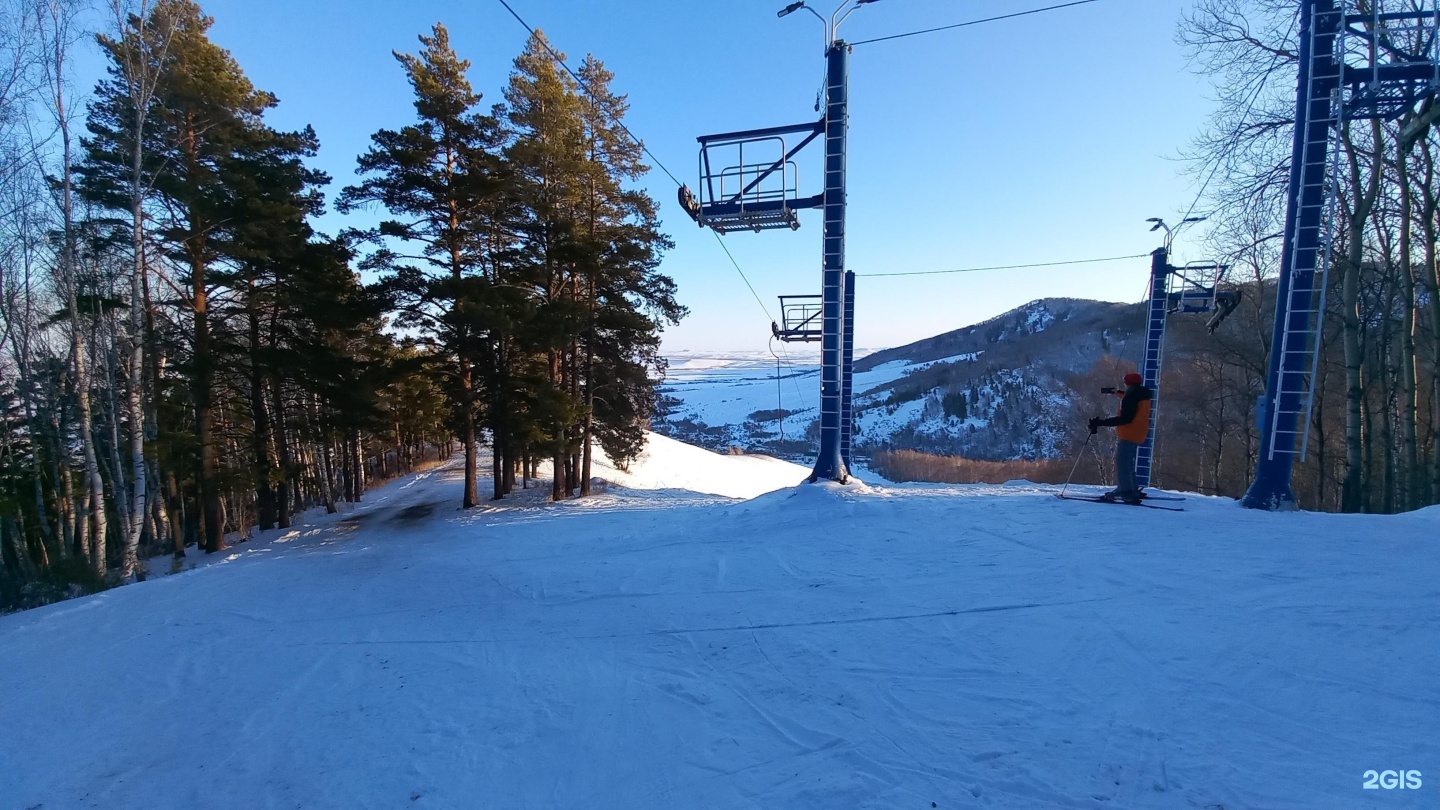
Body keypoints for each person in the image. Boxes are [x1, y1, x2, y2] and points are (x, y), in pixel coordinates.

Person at [1088, 372, 1153, 504]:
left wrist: (1101, 422)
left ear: (1127, 383)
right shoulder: (1142, 394)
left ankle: (1125, 491)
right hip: (1139, 432)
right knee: (1128, 462)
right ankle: (1133, 489)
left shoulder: (1131, 397)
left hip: (1129, 433)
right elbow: (1129, 398)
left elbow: (1125, 418)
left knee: (1122, 463)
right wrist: (1116, 393)